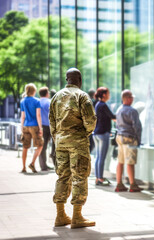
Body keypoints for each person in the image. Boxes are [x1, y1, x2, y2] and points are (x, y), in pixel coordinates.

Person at [49, 68, 97, 229]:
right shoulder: (82, 96)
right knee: (80, 176)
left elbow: (52, 122)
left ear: (66, 79)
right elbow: (90, 120)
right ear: (80, 79)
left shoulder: (56, 97)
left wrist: (58, 137)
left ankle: (60, 215)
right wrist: (85, 133)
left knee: (62, 176)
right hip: (77, 143)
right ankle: (77, 216)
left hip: (60, 142)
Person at [114, 89, 143, 192]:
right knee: (130, 162)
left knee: (120, 161)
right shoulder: (132, 111)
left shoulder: (119, 109)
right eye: (131, 97)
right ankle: (132, 185)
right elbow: (137, 127)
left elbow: (117, 124)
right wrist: (138, 140)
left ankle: (119, 184)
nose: (133, 99)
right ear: (127, 98)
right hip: (129, 138)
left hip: (120, 137)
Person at [93, 87, 116, 186]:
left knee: (98, 157)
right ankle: (100, 178)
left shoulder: (98, 104)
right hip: (103, 134)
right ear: (104, 95)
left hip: (97, 133)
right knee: (101, 157)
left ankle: (98, 177)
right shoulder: (103, 105)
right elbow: (113, 117)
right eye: (108, 93)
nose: (109, 95)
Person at [20, 83, 44, 173]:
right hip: (35, 126)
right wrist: (40, 128)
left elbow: (22, 116)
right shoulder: (37, 101)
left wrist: (21, 127)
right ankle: (32, 163)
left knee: (25, 147)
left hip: (26, 125)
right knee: (40, 145)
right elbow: (38, 115)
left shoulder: (22, 101)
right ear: (34, 91)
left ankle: (23, 167)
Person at [38, 87, 54, 171]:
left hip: (40, 126)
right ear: (47, 93)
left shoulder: (37, 102)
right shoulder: (49, 102)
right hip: (49, 126)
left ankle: (43, 165)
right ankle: (52, 157)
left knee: (42, 146)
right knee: (54, 144)